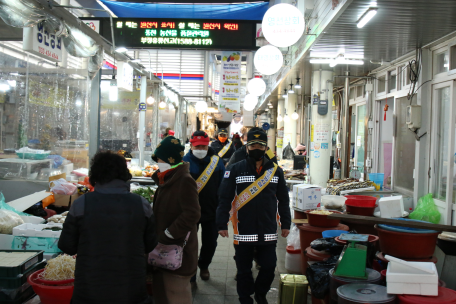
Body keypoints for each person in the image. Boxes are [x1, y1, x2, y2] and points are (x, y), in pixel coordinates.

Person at [58, 151, 157, 304]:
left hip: (90, 290)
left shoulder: (81, 204)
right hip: (131, 289)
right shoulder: (141, 204)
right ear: (124, 173)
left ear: (95, 174)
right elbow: (150, 243)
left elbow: (67, 246)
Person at [217, 129, 291, 304]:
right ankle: (245, 297)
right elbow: (224, 197)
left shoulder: (275, 171)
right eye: (253, 145)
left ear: (266, 148)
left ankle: (260, 293)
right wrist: (221, 223)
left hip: (268, 230)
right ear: (247, 147)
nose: (257, 148)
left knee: (269, 266)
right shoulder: (235, 169)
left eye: (261, 145)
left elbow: (284, 200)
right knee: (243, 270)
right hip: (244, 229)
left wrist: (286, 223)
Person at [150, 136, 201, 304]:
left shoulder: (184, 181)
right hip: (164, 249)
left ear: (169, 159)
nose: (157, 161)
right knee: (164, 293)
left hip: (178, 250)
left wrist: (168, 234)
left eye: (159, 158)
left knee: (176, 293)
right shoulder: (166, 179)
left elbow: (192, 213)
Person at [183, 131, 225, 282]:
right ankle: (191, 270)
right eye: (197, 146)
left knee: (210, 242)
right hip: (189, 211)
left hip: (211, 210)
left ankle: (204, 265)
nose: (200, 149)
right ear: (192, 146)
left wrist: (222, 209)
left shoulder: (217, 161)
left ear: (208, 145)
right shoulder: (184, 161)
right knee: (188, 243)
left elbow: (223, 186)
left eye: (203, 146)